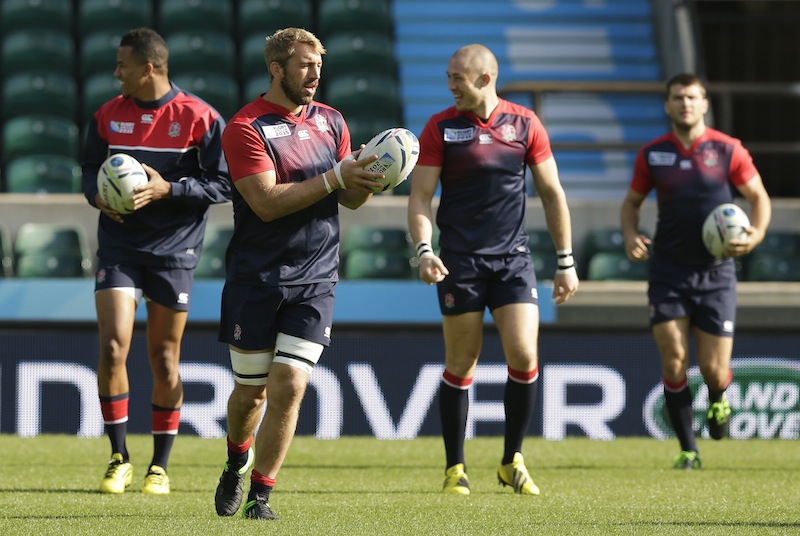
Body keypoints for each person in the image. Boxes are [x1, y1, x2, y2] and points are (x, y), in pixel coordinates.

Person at [213, 27, 385, 520]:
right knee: (251, 393)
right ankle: (235, 460)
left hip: (316, 276)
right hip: (257, 277)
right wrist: (335, 177)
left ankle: (260, 496)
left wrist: (375, 176)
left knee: (290, 382)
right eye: (305, 65)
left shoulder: (332, 121)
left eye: (318, 66)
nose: (315, 74)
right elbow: (265, 203)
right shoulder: (245, 126)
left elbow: (349, 198)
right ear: (277, 68)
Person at [407, 44, 579, 496]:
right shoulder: (440, 126)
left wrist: (565, 261)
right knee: (461, 363)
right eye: (447, 77)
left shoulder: (525, 123)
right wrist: (424, 250)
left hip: (513, 261)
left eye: (457, 78)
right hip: (459, 264)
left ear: (485, 79)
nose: (450, 86)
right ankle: (454, 469)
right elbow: (420, 196)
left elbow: (552, 193)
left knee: (524, 355)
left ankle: (511, 460)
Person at [81, 27, 231, 495]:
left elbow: (224, 185)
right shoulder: (107, 114)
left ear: (148, 68)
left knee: (165, 358)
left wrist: (171, 188)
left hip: (174, 251)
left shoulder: (200, 118)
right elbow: (88, 169)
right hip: (121, 247)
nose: (115, 73)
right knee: (112, 347)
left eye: (122, 65)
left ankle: (159, 466)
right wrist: (97, 196)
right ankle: (119, 457)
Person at [620, 73, 771, 469]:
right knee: (674, 359)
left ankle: (719, 400)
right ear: (667, 105)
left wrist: (754, 237)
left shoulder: (727, 150)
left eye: (692, 97)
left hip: (716, 274)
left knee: (713, 369)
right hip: (668, 271)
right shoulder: (653, 154)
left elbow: (759, 197)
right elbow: (631, 203)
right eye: (677, 97)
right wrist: (631, 233)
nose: (684, 103)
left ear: (704, 104)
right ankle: (689, 449)